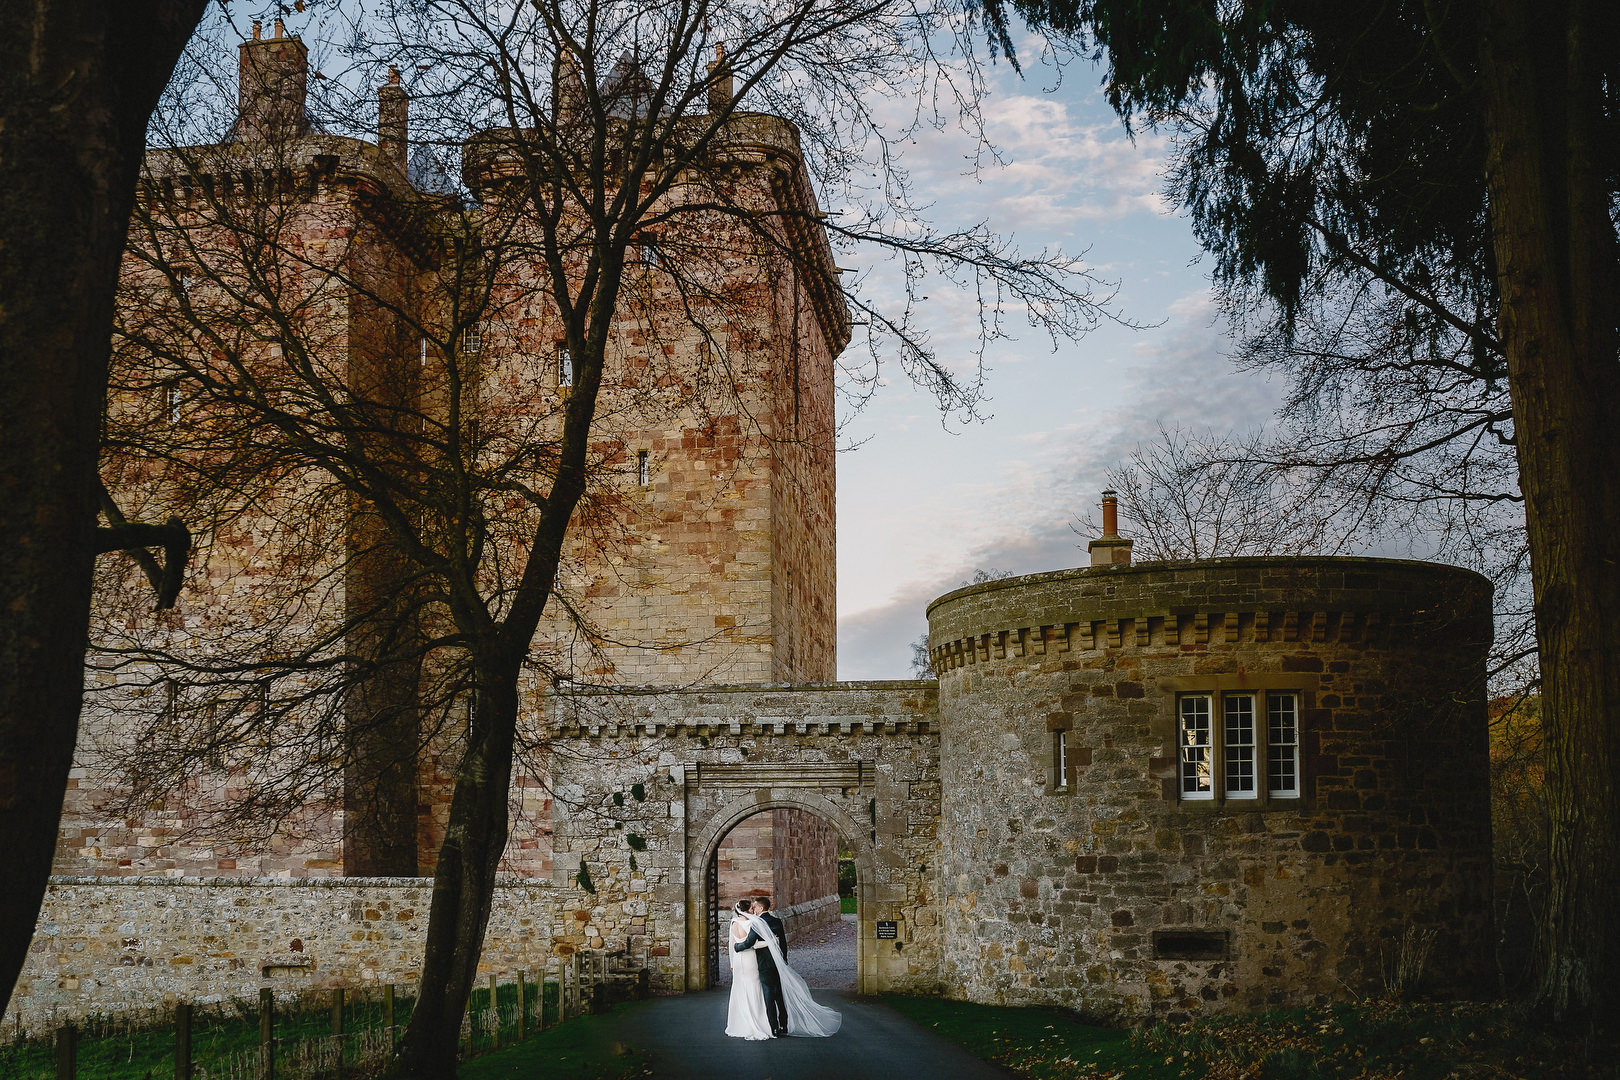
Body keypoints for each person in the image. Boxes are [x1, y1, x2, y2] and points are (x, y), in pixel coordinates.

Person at [731, 895, 841, 1038]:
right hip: (778, 963)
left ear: (761, 908)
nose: (754, 909)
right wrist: (783, 960)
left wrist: (737, 947)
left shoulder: (758, 923)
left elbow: (749, 943)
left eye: (756, 906)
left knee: (769, 995)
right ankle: (784, 1024)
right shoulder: (777, 921)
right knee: (779, 995)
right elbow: (783, 943)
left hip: (764, 964)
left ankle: (774, 1028)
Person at [724, 900, 773, 1040]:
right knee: (754, 986)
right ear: (749, 909)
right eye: (752, 908)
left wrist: (732, 962)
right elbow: (754, 943)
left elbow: (732, 944)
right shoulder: (753, 923)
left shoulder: (733, 922)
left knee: (739, 988)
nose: (753, 909)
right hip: (750, 958)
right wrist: (770, 942)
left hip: (738, 960)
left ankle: (739, 1023)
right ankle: (758, 1023)